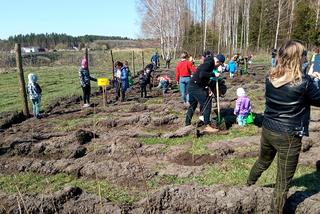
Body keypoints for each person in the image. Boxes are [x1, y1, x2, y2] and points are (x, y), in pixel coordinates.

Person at [247, 40, 320, 214]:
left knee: (262, 161)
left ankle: (248, 185)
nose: (306, 57)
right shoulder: (305, 83)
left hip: (268, 128)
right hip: (289, 135)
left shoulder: (270, 77)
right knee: (282, 183)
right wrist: (316, 81)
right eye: (304, 54)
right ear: (298, 58)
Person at [185, 53, 226, 133]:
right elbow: (202, 75)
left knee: (193, 105)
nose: (218, 67)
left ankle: (187, 124)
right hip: (195, 86)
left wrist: (207, 89)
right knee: (207, 101)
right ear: (218, 62)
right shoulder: (209, 63)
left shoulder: (209, 63)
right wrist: (214, 74)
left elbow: (204, 79)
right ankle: (207, 125)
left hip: (193, 85)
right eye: (219, 65)